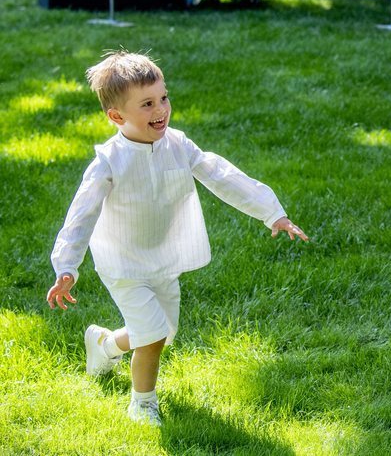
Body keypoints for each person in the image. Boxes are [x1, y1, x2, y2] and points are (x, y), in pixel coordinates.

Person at [45, 51, 309, 427]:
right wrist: (67, 266)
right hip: (123, 263)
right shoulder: (108, 162)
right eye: (148, 104)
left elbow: (222, 175)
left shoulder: (178, 145)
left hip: (163, 258)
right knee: (151, 335)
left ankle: (104, 345)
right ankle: (143, 402)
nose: (161, 110)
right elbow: (80, 216)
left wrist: (272, 211)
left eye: (163, 98)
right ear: (117, 116)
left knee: (163, 333)